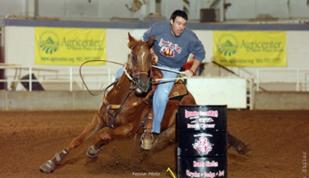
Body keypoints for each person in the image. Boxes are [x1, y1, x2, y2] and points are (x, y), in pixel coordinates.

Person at [141, 9, 205, 149]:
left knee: (162, 94)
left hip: (171, 69)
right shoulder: (159, 28)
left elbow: (200, 54)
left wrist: (192, 70)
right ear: (171, 22)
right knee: (121, 74)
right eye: (178, 23)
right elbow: (144, 40)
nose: (181, 27)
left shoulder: (190, 38)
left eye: (183, 24)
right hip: (152, 64)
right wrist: (151, 53)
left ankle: (155, 129)